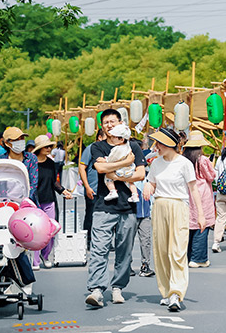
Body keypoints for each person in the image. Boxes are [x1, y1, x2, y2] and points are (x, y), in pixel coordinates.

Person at [86, 109, 146, 308]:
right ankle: (96, 289)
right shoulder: (98, 147)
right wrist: (126, 162)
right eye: (105, 123)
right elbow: (101, 169)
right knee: (98, 249)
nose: (109, 125)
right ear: (101, 126)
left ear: (121, 123)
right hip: (103, 206)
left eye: (113, 121)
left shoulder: (134, 146)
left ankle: (118, 287)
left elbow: (140, 174)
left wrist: (118, 175)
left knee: (124, 251)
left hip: (127, 207)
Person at [142, 128, 206, 312]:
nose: (157, 147)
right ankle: (167, 291)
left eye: (160, 143)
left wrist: (200, 215)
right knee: (161, 251)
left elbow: (193, 189)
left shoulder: (184, 163)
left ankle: (176, 293)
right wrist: (148, 186)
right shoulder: (156, 164)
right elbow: (152, 182)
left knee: (177, 250)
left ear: (170, 144)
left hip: (178, 206)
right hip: (160, 206)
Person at [0, 126, 39, 295]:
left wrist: (25, 202)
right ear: (7, 143)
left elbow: (33, 183)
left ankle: (26, 280)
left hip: (25, 206)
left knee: (19, 244)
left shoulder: (31, 158)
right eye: (16, 139)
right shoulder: (0, 160)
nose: (20, 142)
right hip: (3, 206)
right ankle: (1, 282)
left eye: (22, 138)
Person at [31, 135, 72, 270]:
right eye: (46, 147)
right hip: (35, 201)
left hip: (49, 200)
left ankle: (46, 255)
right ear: (39, 148)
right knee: (36, 231)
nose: (49, 149)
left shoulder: (50, 163)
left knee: (50, 229)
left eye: (50, 146)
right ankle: (35, 260)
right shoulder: (31, 163)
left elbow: (54, 181)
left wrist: (63, 191)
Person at [181, 131, 216, 268]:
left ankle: (187, 256)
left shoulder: (183, 159)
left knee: (189, 225)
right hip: (202, 193)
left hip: (188, 192)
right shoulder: (203, 160)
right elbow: (211, 176)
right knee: (202, 225)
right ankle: (198, 258)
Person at [78, 129, 106, 243]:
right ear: (99, 137)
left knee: (105, 217)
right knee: (90, 215)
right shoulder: (90, 148)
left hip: (105, 190)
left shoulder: (108, 149)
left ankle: (103, 241)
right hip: (93, 189)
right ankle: (88, 240)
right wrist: (87, 187)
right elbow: (82, 167)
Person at [99, 124, 138, 203]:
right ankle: (134, 194)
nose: (112, 138)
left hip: (120, 170)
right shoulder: (128, 146)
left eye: (114, 137)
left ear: (121, 139)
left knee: (107, 178)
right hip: (129, 169)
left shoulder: (117, 149)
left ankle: (112, 191)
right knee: (130, 182)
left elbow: (112, 159)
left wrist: (105, 160)